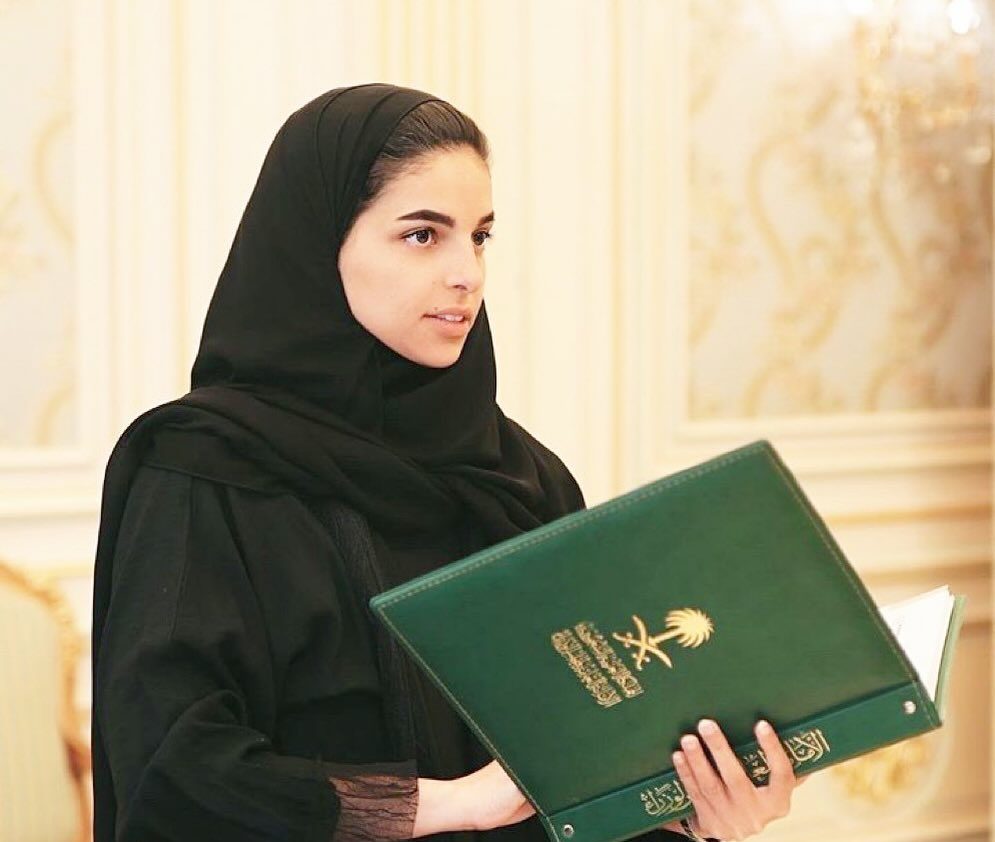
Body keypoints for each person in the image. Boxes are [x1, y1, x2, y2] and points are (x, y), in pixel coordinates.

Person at [90, 82, 803, 842]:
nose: (467, 273)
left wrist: (693, 814)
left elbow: (591, 752)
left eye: (480, 236)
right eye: (423, 235)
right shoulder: (205, 472)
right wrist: (450, 804)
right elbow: (175, 770)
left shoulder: (522, 478)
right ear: (319, 245)